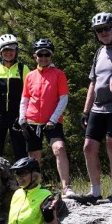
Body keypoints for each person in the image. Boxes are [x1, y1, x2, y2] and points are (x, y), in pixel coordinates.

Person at [71, 13, 112, 204]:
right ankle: (95, 192)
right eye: (99, 30)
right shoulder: (99, 52)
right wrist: (85, 110)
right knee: (88, 147)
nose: (104, 32)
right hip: (98, 109)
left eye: (107, 28)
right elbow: (93, 82)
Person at [19, 38, 74, 197]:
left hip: (53, 121)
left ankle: (66, 187)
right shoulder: (30, 76)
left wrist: (53, 118)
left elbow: (63, 98)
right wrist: (22, 118)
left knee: (59, 148)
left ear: (51, 56)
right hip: (32, 121)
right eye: (40, 55)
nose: (43, 58)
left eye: (47, 55)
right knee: (34, 157)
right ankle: (35, 189)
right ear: (34, 56)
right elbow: (25, 99)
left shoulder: (58, 74)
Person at [5, 156, 63, 224]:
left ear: (34, 175)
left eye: (23, 174)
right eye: (17, 174)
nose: (19, 177)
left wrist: (48, 215)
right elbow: (11, 222)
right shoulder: (17, 194)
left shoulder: (45, 195)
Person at [0, 34, 30, 160]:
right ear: (0, 52)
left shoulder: (23, 68)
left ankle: (23, 178)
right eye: (5, 50)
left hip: (17, 113)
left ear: (16, 51)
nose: (8, 53)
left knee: (20, 149)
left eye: (11, 49)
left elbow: (30, 92)